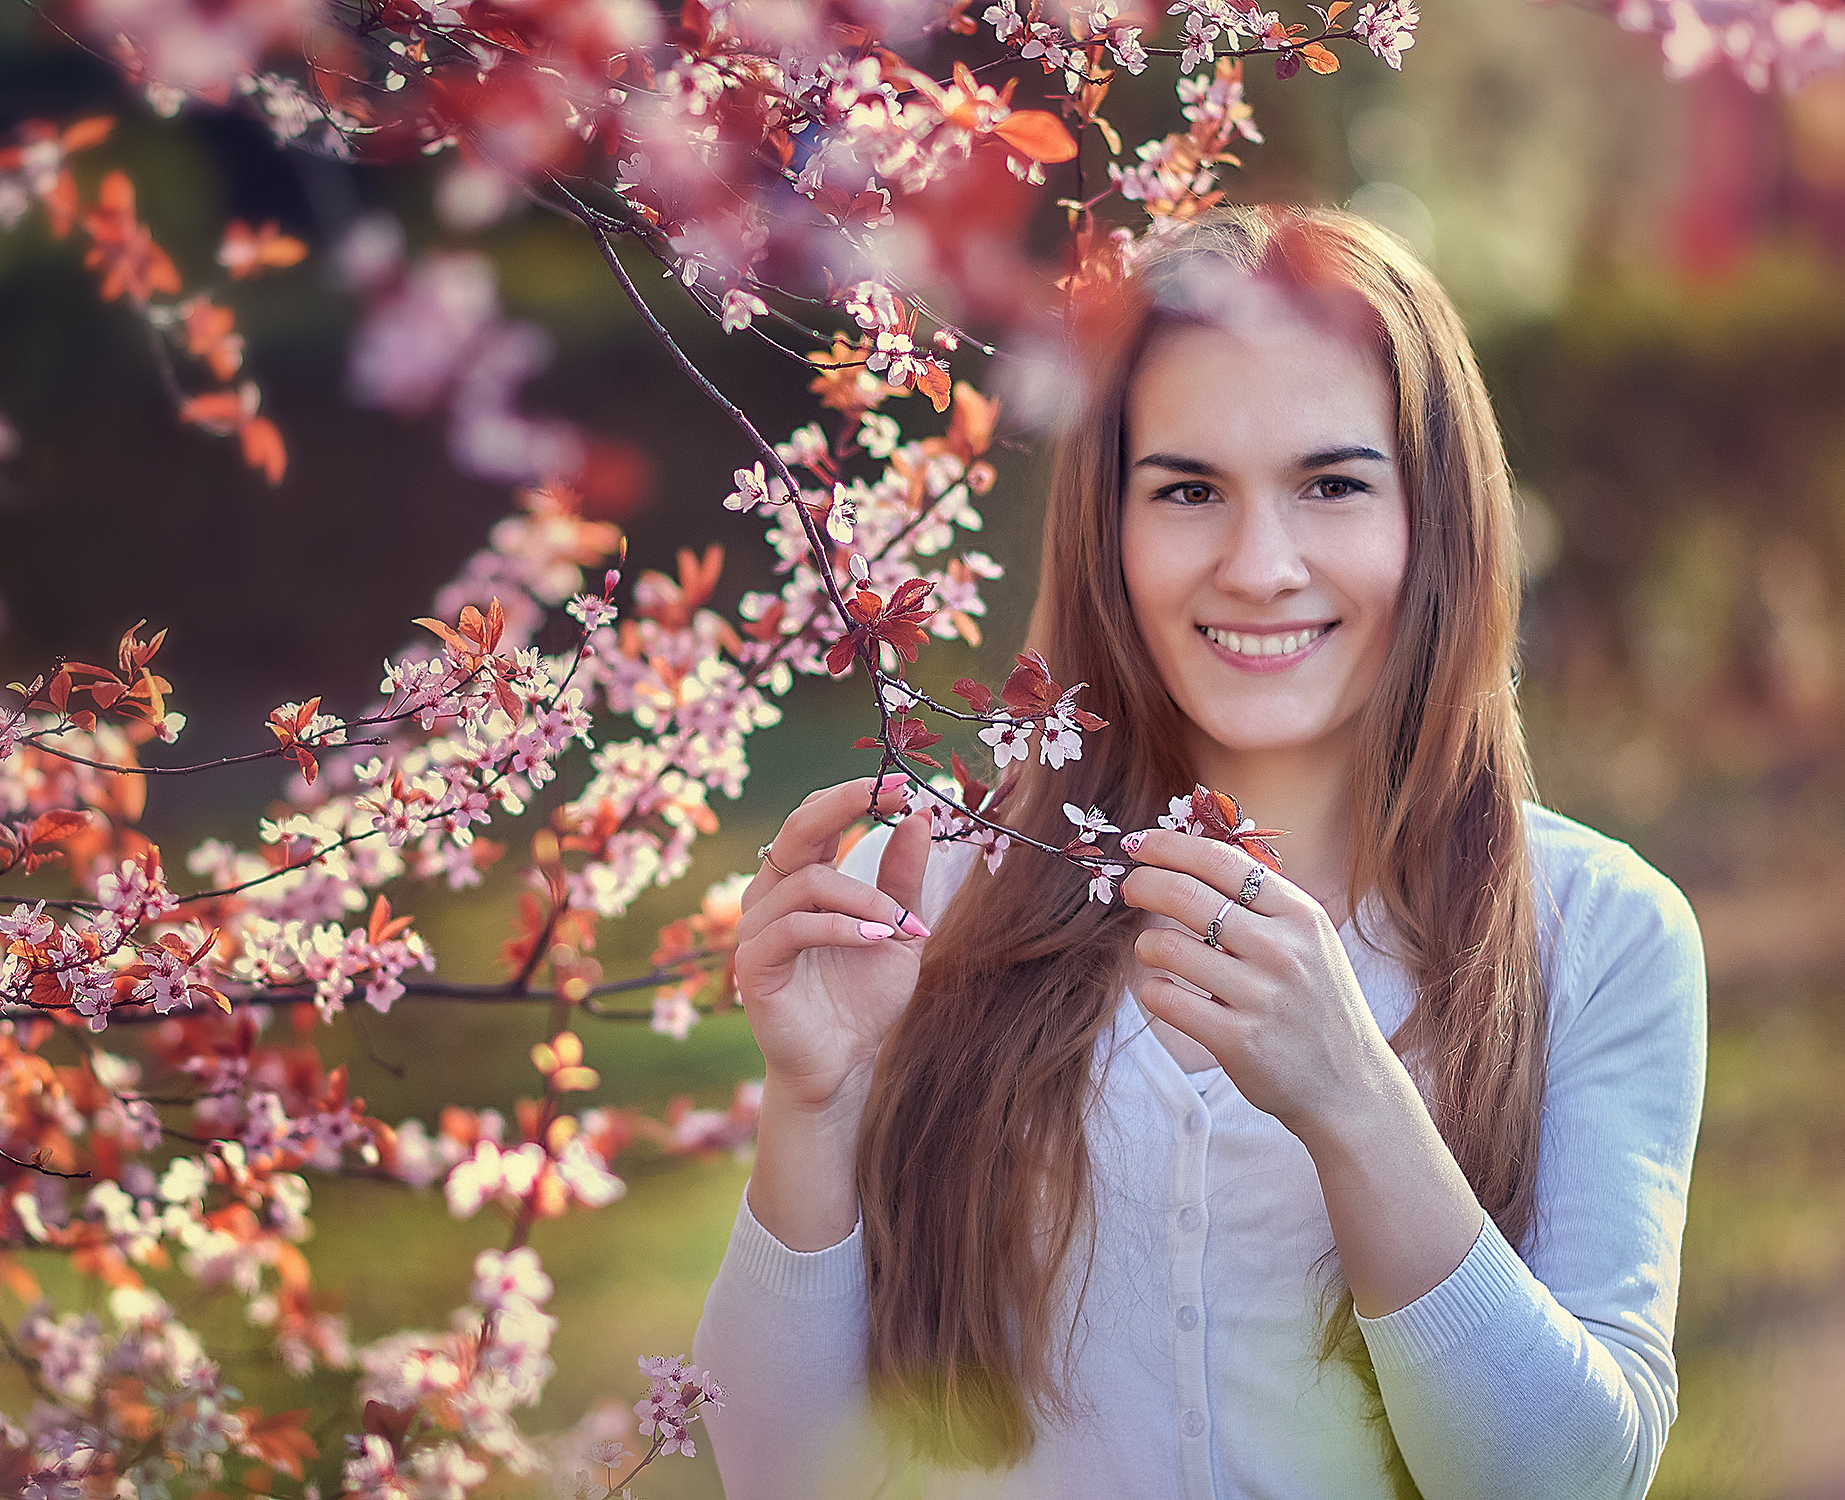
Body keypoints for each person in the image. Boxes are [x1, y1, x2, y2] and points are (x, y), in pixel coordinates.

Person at [690, 205, 1708, 1500]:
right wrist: (815, 1107)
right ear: (1106, 529)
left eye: (1330, 484)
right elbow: (780, 1475)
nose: (1259, 564)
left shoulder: (1600, 932)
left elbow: (1569, 1481)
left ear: (1436, 516)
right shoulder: (935, 891)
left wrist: (1349, 1095)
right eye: (1186, 491)